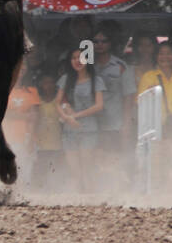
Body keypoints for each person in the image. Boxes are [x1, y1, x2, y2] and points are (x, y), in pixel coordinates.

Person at [56, 46, 105, 188]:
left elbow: (99, 105)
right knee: (74, 170)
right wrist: (66, 118)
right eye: (74, 58)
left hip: (89, 130)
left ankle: (90, 198)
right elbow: (57, 103)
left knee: (87, 168)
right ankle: (77, 201)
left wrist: (75, 116)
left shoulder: (96, 80)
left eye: (81, 57)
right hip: (69, 130)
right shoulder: (65, 79)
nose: (77, 61)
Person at [91, 24, 136, 153]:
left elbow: (128, 96)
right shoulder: (87, 67)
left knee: (114, 161)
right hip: (93, 124)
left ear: (110, 43)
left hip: (115, 124)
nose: (99, 44)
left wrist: (126, 124)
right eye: (96, 41)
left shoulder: (121, 66)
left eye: (104, 41)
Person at [30, 73, 64, 190]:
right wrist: (32, 138)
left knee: (56, 165)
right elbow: (34, 121)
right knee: (41, 165)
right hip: (41, 140)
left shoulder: (59, 101)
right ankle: (39, 188)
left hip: (57, 140)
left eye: (51, 82)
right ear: (40, 85)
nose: (48, 85)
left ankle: (56, 188)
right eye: (45, 83)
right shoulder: (37, 101)